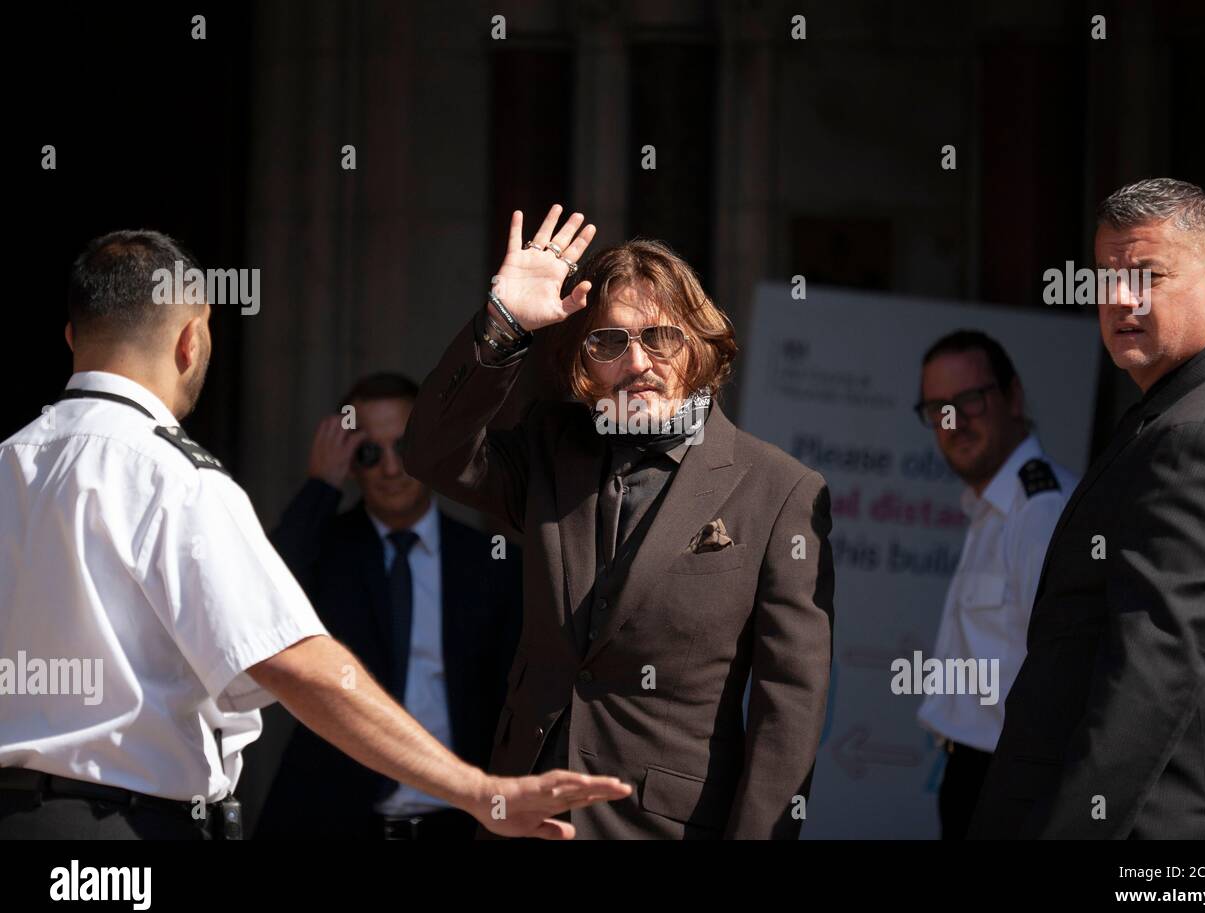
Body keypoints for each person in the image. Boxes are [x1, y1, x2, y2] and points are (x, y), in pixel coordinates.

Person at [0, 229, 629, 840]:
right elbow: (297, 664)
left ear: (71, 337)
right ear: (191, 339)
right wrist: (477, 791)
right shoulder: (170, 478)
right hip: (123, 834)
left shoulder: (9, 463)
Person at [402, 206, 835, 839]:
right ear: (584, 359)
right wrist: (505, 326)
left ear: (702, 342)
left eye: (660, 336)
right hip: (527, 813)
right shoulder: (553, 447)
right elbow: (430, 454)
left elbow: (787, 714)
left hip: (665, 826)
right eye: (610, 341)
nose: (638, 362)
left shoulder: (779, 490)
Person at [969, 178, 1205, 839]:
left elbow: (1150, 680)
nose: (1118, 300)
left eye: (1146, 276)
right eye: (1106, 278)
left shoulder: (1200, 436)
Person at [257, 372, 523, 840]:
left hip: (461, 822)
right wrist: (321, 485)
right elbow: (261, 604)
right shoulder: (327, 548)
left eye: (403, 446)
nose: (390, 467)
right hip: (337, 819)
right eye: (368, 451)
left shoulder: (491, 562)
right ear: (351, 461)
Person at [912, 330, 1077, 839]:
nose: (954, 422)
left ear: (1014, 396)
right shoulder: (994, 505)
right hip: (977, 779)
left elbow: (1064, 683)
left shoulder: (1040, 512)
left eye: (970, 400)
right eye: (938, 408)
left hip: (1011, 785)